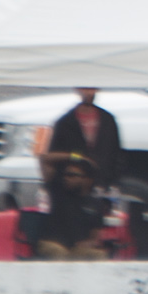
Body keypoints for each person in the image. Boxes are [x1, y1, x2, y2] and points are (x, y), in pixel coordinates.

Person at [37, 88, 122, 260]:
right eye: (67, 174)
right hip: (56, 245)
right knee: (59, 254)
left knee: (98, 256)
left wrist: (89, 243)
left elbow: (96, 234)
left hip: (79, 248)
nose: (68, 178)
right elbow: (45, 158)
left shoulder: (94, 200)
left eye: (74, 175)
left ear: (86, 179)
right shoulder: (57, 187)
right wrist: (77, 157)